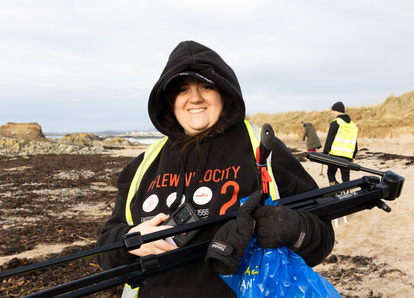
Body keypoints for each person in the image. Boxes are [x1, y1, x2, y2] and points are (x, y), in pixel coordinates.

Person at [95, 40, 335, 298]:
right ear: (169, 100)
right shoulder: (144, 164)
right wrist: (130, 240)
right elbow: (105, 253)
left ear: (224, 92)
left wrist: (292, 226)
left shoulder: (262, 149)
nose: (195, 98)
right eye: (182, 89)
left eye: (206, 86)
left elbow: (321, 238)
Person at [323, 101, 358, 186]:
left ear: (336, 111)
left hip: (335, 154)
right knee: (346, 177)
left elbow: (330, 138)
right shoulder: (353, 125)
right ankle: (346, 193)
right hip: (347, 156)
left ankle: (334, 189)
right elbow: (354, 142)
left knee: (331, 174)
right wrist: (353, 155)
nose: (332, 113)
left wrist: (325, 153)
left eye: (333, 111)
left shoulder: (336, 122)